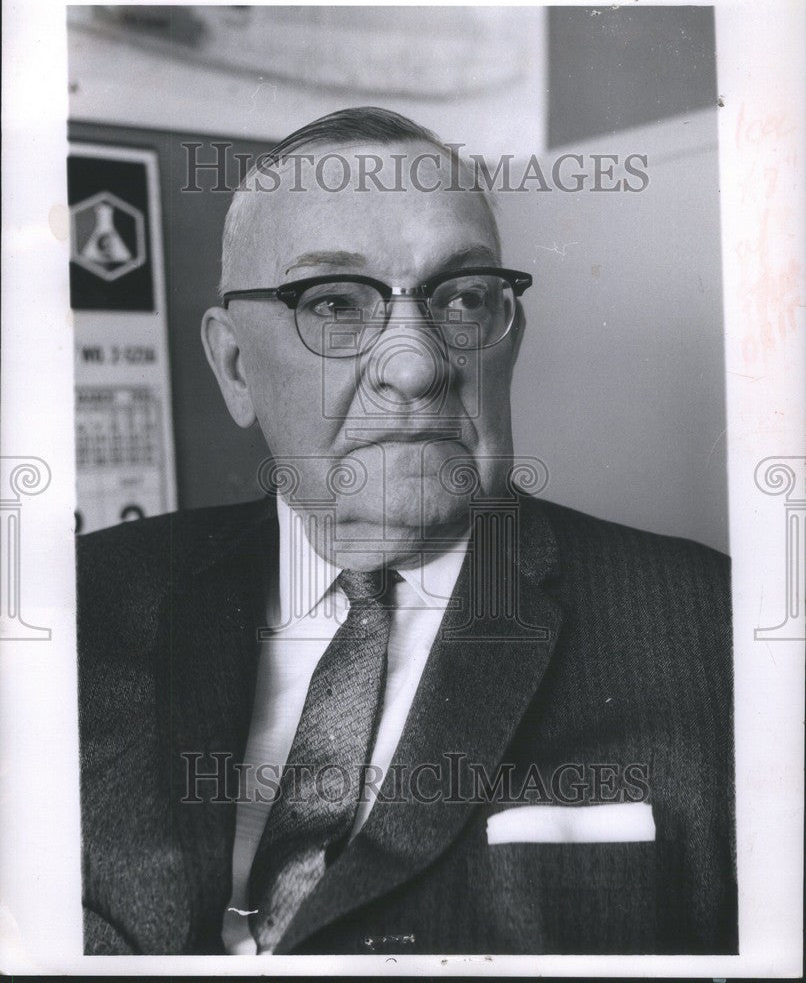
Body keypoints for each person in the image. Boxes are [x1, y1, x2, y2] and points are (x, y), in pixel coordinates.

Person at [77, 107, 737, 956]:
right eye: (335, 304)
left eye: (462, 297)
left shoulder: (710, 631)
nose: (415, 364)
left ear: (511, 336)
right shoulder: (76, 609)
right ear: (235, 366)